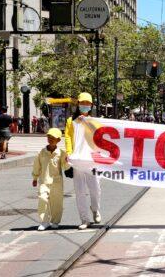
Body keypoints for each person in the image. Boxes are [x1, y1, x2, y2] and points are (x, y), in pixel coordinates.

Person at [65, 92, 102, 230]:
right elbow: (68, 137)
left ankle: (95, 208)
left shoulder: (95, 121)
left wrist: (87, 123)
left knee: (95, 188)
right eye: (82, 103)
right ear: (78, 104)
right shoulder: (71, 121)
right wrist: (69, 152)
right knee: (79, 191)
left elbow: (100, 136)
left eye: (87, 103)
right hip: (78, 160)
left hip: (92, 160)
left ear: (91, 105)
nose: (85, 105)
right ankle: (84, 219)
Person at [32, 128, 70, 231]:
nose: (50, 139)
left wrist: (68, 161)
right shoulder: (42, 152)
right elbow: (37, 165)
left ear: (58, 140)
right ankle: (44, 222)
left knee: (57, 202)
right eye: (49, 137)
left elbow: (65, 167)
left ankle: (55, 221)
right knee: (42, 199)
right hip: (44, 181)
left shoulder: (61, 153)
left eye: (53, 138)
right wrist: (35, 177)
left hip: (56, 182)